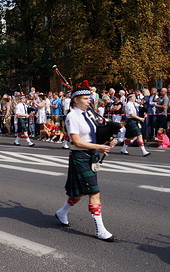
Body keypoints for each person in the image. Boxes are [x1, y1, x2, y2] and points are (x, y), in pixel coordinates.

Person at [55, 87, 116, 242]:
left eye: (90, 98)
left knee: (79, 193)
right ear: (76, 100)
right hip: (80, 156)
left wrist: (107, 142)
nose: (90, 100)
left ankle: (62, 212)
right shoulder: (72, 116)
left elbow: (91, 136)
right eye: (86, 98)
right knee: (94, 192)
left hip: (90, 156)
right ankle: (100, 230)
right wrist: (99, 147)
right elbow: (76, 141)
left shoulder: (88, 115)